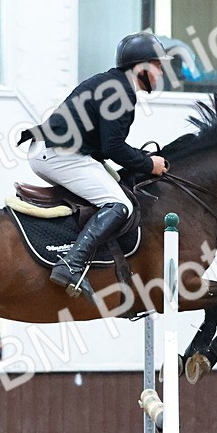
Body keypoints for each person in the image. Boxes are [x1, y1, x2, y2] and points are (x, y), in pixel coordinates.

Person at [20, 32, 171, 299]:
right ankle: (71, 264)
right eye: (158, 65)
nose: (161, 72)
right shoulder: (122, 92)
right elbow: (113, 147)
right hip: (59, 154)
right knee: (120, 205)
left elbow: (105, 146)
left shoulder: (112, 83)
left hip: (54, 149)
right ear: (142, 67)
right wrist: (149, 164)